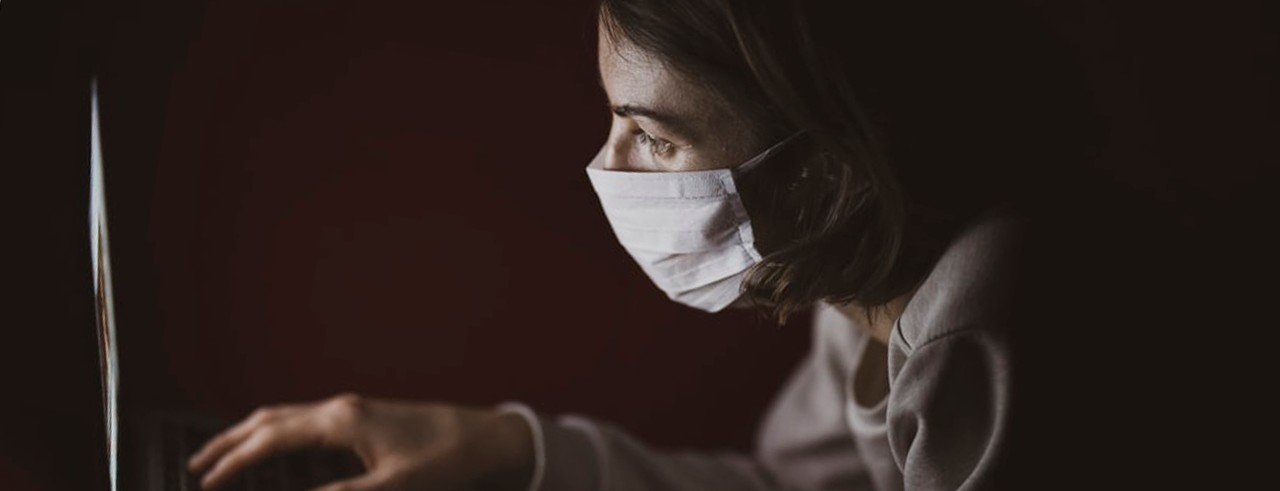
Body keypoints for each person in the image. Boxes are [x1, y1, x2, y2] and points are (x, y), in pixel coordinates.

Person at [188, 0, 1101, 489]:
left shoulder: (976, 333)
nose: (606, 166)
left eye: (654, 138)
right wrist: (504, 448)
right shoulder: (859, 266)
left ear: (827, 168)